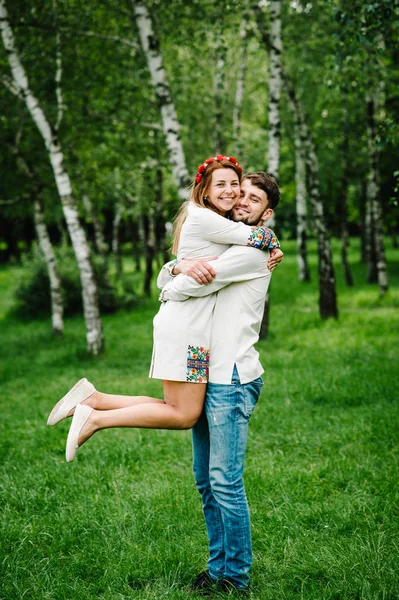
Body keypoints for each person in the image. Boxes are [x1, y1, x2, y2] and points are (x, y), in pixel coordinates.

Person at [47, 156, 282, 465]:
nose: (236, 197)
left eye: (240, 190)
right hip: (187, 330)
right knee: (184, 414)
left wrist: (174, 272)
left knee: (177, 408)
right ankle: (95, 417)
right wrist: (173, 281)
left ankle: (95, 401)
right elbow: (207, 270)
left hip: (195, 335)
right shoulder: (207, 219)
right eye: (228, 188)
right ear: (205, 189)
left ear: (265, 210)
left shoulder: (222, 229)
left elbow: (187, 269)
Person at [157, 171, 281, 596]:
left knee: (225, 481)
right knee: (206, 481)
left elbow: (192, 281)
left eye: (253, 198)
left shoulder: (251, 252)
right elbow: (178, 269)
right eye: (240, 193)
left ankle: (236, 576)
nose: (242, 200)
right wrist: (175, 264)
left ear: (266, 211)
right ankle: (217, 567)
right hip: (207, 371)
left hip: (231, 375)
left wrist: (174, 281)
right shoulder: (236, 241)